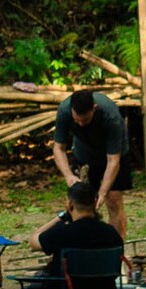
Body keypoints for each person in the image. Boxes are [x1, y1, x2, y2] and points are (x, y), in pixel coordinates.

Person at [52, 88, 131, 242]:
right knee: (80, 203)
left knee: (113, 200)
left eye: (85, 120)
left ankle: (115, 250)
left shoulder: (110, 116)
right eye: (77, 120)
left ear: (94, 109)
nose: (81, 124)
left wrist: (102, 192)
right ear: (72, 111)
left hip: (113, 155)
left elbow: (113, 160)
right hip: (84, 154)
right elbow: (58, 148)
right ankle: (81, 245)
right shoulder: (64, 110)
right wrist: (68, 175)